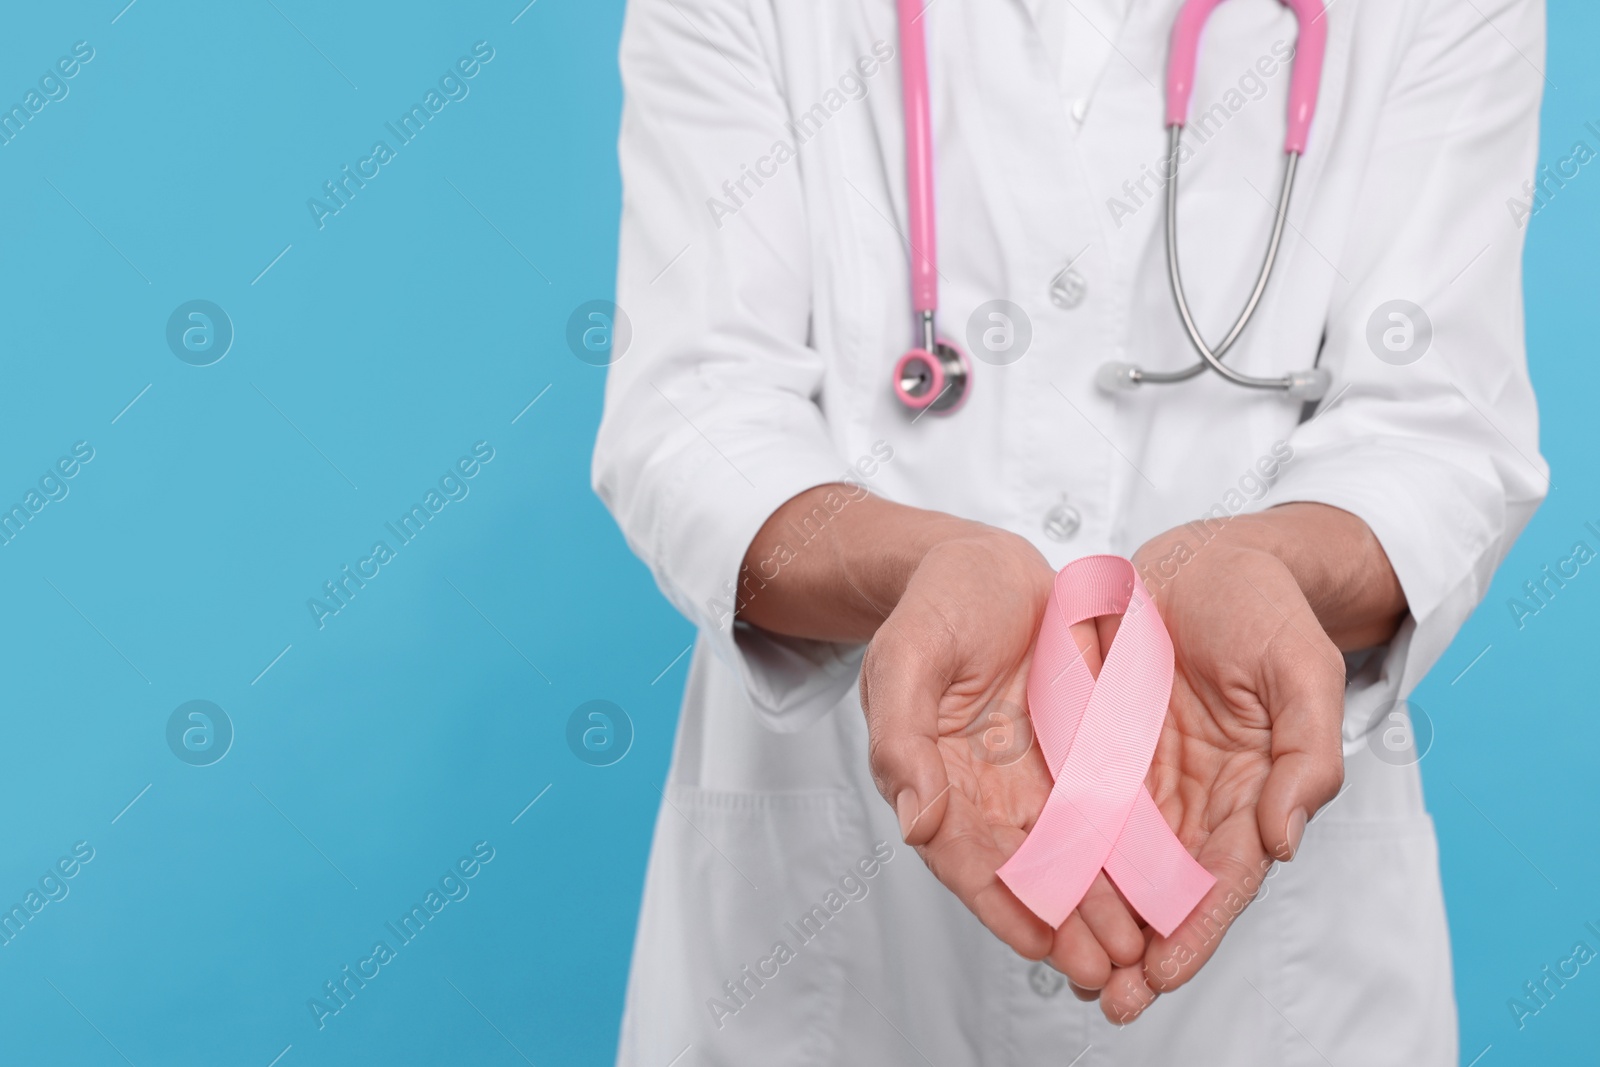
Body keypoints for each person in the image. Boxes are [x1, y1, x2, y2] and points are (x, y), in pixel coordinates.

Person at [592, 0, 1547, 1063]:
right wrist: (922, 572)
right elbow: (690, 413)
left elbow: (1438, 430)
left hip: (1267, 976)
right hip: (833, 943)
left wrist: (1264, 567)